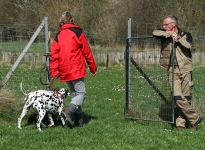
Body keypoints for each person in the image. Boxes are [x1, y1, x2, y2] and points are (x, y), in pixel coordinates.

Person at [152, 15, 202, 130]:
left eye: (166, 24)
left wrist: (177, 40)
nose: (163, 26)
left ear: (173, 24)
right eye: (163, 25)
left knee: (186, 98)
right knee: (177, 97)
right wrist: (169, 34)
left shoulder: (186, 35)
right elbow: (154, 32)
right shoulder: (164, 34)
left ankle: (181, 124)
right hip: (172, 70)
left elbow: (188, 46)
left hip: (185, 70)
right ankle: (195, 118)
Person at [50, 11, 97, 128]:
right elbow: (87, 51)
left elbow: (54, 55)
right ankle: (67, 113)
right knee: (81, 94)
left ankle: (79, 121)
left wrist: (55, 72)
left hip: (64, 70)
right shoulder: (78, 32)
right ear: (72, 20)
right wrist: (93, 68)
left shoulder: (58, 35)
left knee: (75, 94)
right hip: (76, 68)